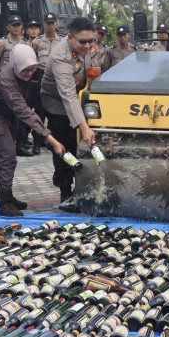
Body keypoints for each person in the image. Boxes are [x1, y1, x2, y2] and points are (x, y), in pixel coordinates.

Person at [0, 44, 66, 216]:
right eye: (26, 70)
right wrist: (51, 139)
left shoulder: (27, 74)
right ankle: (4, 203)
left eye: (33, 69)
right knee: (7, 155)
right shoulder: (6, 80)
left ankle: (7, 195)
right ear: (17, 65)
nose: (30, 73)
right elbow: (23, 111)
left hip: (8, 112)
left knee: (5, 155)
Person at [41, 16, 97, 212]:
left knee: (79, 145)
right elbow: (67, 95)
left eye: (91, 40)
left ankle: (82, 187)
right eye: (83, 41)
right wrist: (83, 126)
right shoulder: (60, 56)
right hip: (57, 104)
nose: (87, 45)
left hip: (78, 100)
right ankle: (65, 193)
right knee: (64, 147)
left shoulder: (89, 48)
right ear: (69, 36)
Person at [27, 12, 64, 155]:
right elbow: (31, 60)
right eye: (47, 23)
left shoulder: (62, 42)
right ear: (44, 24)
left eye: (52, 23)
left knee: (55, 113)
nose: (50, 25)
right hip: (40, 78)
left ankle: (53, 142)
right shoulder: (37, 42)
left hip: (56, 78)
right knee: (40, 113)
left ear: (56, 24)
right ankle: (37, 143)